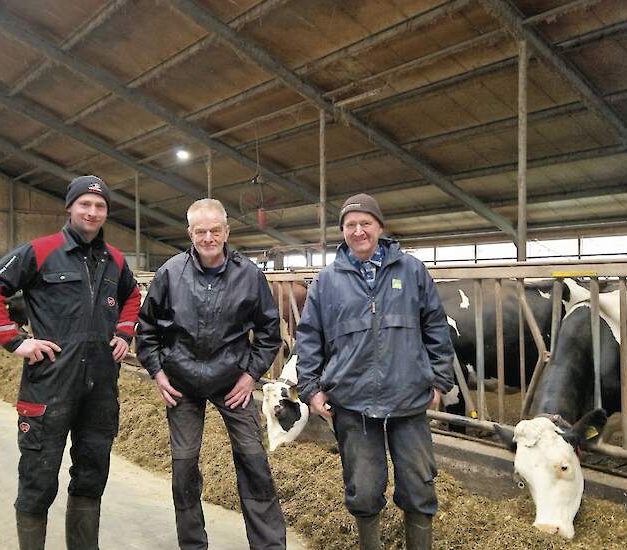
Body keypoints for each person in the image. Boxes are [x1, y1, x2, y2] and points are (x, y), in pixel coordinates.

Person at [0, 175, 141, 550]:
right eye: (85, 204)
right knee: (39, 475)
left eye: (100, 206)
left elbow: (132, 295)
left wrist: (124, 333)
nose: (92, 212)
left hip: (100, 386)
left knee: (92, 473)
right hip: (49, 384)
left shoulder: (114, 259)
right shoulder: (40, 250)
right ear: (70, 207)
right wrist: (16, 342)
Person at [294, 193, 455, 550]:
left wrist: (440, 381)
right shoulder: (327, 280)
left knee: (418, 485)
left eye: (365, 223)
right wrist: (311, 388)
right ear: (343, 232)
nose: (358, 230)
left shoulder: (412, 270)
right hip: (352, 399)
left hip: (408, 396)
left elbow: (436, 328)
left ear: (380, 227)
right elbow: (308, 338)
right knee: (364, 488)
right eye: (350, 225)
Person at [136, 198, 287, 550]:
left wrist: (250, 376)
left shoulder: (249, 274)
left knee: (253, 461)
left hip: (233, 380)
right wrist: (158, 373)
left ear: (227, 231)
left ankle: (268, 546)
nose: (208, 237)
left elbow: (268, 332)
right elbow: (146, 330)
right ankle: (192, 545)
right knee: (184, 467)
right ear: (190, 233)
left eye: (215, 230)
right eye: (200, 231)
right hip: (182, 383)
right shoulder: (170, 273)